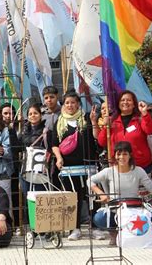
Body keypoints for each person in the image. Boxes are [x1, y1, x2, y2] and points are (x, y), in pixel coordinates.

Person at [89, 141, 152, 245]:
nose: (121, 157)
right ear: (115, 155)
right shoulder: (108, 171)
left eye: (125, 154)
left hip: (134, 209)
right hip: (116, 210)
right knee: (99, 218)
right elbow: (90, 181)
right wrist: (101, 194)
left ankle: (140, 234)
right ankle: (114, 233)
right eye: (119, 154)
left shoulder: (138, 171)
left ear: (130, 155)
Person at [52, 90, 97, 241]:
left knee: (91, 197)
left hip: (88, 164)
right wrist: (58, 158)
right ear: (63, 105)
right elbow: (54, 144)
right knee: (73, 198)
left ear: (78, 104)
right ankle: (75, 228)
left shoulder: (86, 118)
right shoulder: (59, 122)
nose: (70, 105)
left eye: (73, 102)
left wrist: (94, 122)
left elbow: (96, 138)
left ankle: (95, 227)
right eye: (67, 103)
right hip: (69, 168)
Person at [97, 90, 152, 173]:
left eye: (129, 100)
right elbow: (102, 142)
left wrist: (145, 114)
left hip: (141, 167)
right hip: (119, 167)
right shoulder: (112, 121)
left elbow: (151, 131)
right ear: (118, 103)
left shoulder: (140, 119)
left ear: (134, 104)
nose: (125, 102)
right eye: (122, 100)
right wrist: (106, 127)